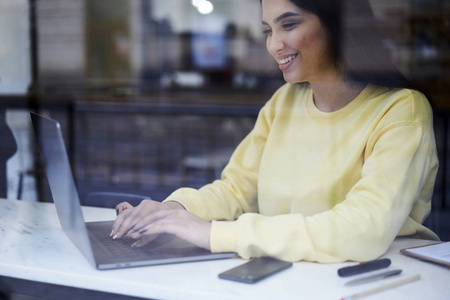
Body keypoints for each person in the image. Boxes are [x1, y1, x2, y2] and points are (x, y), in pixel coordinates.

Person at [110, 0, 440, 263]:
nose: (273, 45)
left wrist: (213, 235)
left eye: (290, 24)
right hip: (287, 271)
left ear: (338, 24)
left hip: (376, 281)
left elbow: (363, 228)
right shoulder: (284, 101)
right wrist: (175, 211)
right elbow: (237, 191)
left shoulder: (402, 110)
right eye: (268, 30)